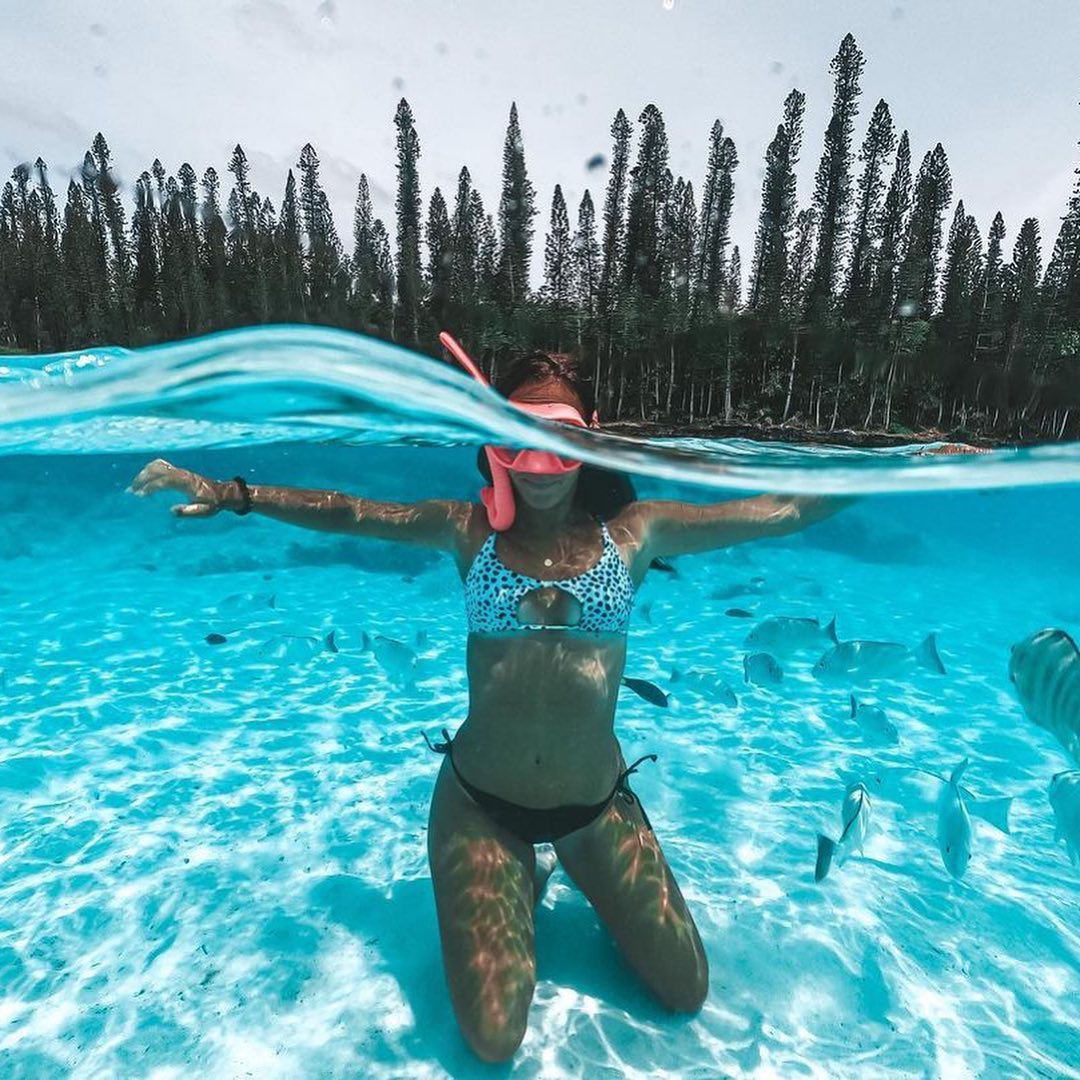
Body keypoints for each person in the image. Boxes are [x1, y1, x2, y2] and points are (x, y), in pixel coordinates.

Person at [128, 339, 852, 1063]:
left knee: (686, 991)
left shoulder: (634, 534)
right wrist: (235, 494)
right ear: (494, 441)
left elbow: (782, 508)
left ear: (590, 434)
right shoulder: (468, 531)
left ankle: (563, 867)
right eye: (518, 437)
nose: (539, 462)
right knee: (495, 1042)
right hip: (482, 805)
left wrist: (932, 463)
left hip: (595, 809)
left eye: (561, 440)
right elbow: (351, 510)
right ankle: (514, 874)